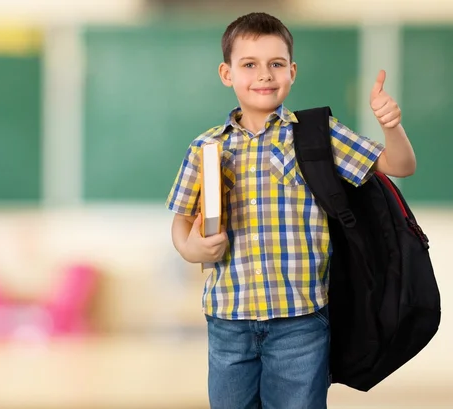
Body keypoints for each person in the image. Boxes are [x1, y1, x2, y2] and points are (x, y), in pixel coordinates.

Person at [165, 12, 416, 409]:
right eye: (249, 64)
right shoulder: (205, 148)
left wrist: (391, 126)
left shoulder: (318, 133)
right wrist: (193, 249)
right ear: (227, 73)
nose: (264, 75)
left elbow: (399, 165)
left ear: (292, 71)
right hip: (228, 321)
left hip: (300, 321)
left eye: (276, 64)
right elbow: (180, 226)